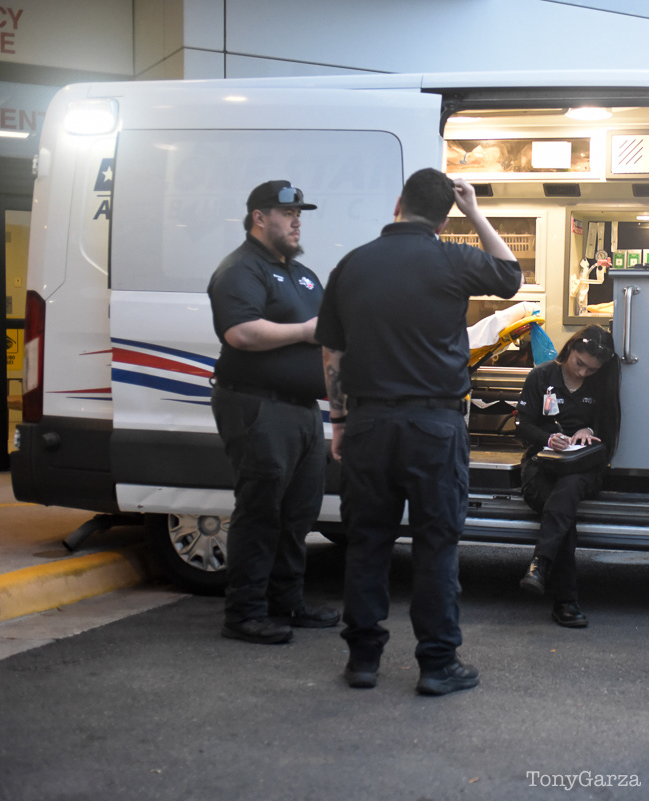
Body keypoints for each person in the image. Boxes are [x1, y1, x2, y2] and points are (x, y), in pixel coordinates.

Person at [316, 168, 522, 694]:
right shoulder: (452, 258)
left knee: (367, 543)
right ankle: (436, 665)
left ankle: (362, 660)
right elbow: (510, 274)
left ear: (397, 203)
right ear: (447, 213)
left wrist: (339, 421)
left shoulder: (352, 264)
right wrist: (475, 211)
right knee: (436, 544)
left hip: (367, 422)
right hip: (435, 425)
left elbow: (332, 352)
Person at [207, 180, 340, 645]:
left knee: (298, 513)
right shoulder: (241, 269)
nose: (297, 219)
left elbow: (330, 337)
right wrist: (303, 330)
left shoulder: (302, 274)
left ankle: (288, 602)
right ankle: (244, 613)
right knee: (261, 512)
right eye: (288, 213)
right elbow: (240, 333)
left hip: (302, 410)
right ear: (259, 217)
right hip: (257, 405)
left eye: (300, 212)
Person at [514, 325, 621, 628]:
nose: (584, 373)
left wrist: (590, 431)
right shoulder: (541, 377)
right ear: (570, 349)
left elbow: (609, 435)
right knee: (562, 510)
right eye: (580, 364)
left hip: (584, 467)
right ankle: (565, 602)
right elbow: (522, 426)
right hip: (543, 464)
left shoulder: (601, 386)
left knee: (565, 496)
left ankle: (540, 567)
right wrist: (549, 440)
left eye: (592, 369)